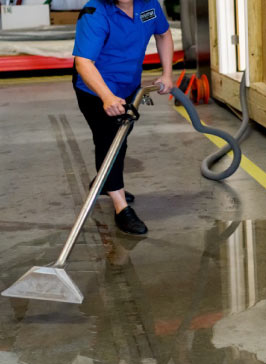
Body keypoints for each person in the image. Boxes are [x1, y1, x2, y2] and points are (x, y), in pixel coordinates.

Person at [73, 0, 174, 235]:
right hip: (96, 89)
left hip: (129, 85)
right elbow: (83, 62)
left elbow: (164, 34)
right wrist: (107, 97)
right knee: (110, 141)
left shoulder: (149, 6)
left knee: (120, 138)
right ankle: (121, 208)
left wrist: (167, 74)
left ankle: (105, 181)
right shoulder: (95, 12)